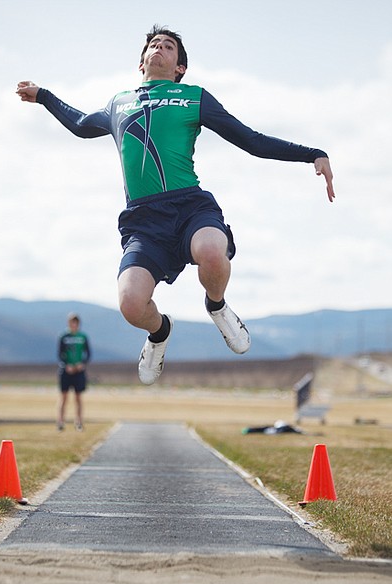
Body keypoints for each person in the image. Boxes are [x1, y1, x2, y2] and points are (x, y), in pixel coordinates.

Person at [17, 25, 334, 385]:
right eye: (154, 44)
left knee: (212, 251)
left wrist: (312, 154)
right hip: (143, 221)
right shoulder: (118, 103)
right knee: (130, 303)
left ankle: (216, 305)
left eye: (168, 46)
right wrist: (43, 96)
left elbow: (251, 140)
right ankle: (159, 332)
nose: (159, 48)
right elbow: (79, 124)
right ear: (142, 63)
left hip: (189, 208)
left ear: (179, 67)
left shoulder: (194, 98)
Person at [57, 313, 91, 431]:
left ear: (78, 324)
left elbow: (88, 353)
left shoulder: (83, 337)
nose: (74, 325)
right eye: (72, 323)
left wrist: (82, 364)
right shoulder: (63, 336)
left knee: (78, 397)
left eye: (76, 323)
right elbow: (59, 354)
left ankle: (79, 422)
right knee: (64, 397)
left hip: (79, 371)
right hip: (66, 371)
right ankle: (61, 422)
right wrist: (66, 365)